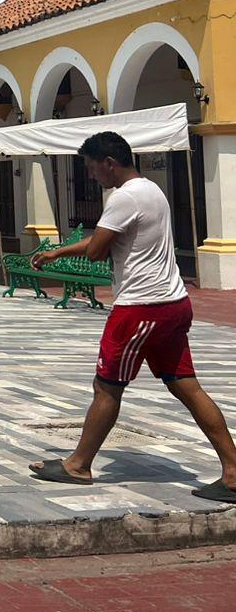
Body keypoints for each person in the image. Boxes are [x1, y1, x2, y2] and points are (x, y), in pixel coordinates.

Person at [27, 131, 236, 502]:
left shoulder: (123, 198)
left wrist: (71, 251)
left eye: (93, 168)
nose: (92, 176)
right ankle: (234, 472)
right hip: (173, 302)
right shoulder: (151, 190)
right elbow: (105, 240)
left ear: (110, 163)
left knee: (107, 386)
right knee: (185, 384)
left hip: (141, 308)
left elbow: (96, 251)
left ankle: (78, 465)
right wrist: (58, 253)